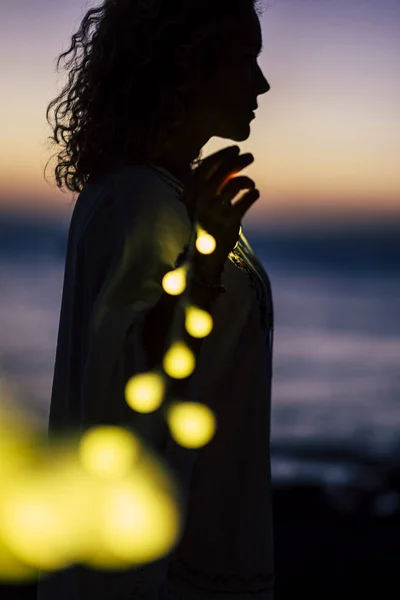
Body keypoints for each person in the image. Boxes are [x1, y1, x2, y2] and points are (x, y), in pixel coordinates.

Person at [38, 1, 274, 598]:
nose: (263, 84)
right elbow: (124, 382)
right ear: (187, 67)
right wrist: (207, 260)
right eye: (245, 61)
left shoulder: (176, 196)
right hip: (164, 559)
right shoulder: (135, 200)